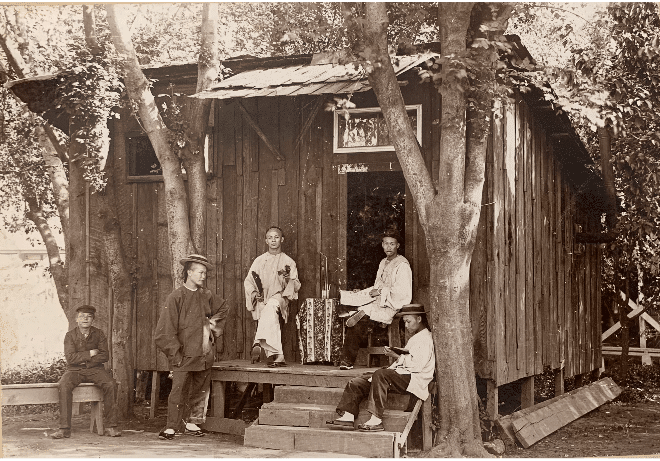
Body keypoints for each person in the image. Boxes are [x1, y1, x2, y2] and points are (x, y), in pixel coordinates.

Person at [155, 254, 228, 440]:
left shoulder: (207, 295)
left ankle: (192, 422)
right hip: (183, 353)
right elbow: (164, 330)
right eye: (200, 272)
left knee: (200, 389)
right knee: (178, 390)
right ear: (189, 272)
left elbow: (223, 308)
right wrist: (175, 354)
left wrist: (211, 325)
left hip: (203, 352)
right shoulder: (176, 297)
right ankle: (171, 426)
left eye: (205, 273)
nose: (203, 276)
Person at [328, 304, 435, 432]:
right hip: (403, 372)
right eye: (405, 322)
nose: (406, 326)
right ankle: (348, 416)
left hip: (415, 378)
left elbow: (417, 366)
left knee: (380, 374)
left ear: (419, 319)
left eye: (408, 321)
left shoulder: (426, 338)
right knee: (357, 382)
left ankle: (376, 419)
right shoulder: (416, 337)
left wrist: (396, 356)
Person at [339, 231, 412, 370]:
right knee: (355, 310)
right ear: (382, 245)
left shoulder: (402, 265)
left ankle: (347, 361)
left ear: (398, 245)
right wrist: (363, 293)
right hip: (378, 302)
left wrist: (379, 292)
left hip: (391, 304)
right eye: (386, 243)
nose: (388, 247)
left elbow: (402, 292)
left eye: (392, 244)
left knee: (361, 318)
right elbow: (378, 285)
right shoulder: (383, 262)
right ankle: (358, 315)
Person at [51, 305, 121, 439]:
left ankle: (111, 427)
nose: (85, 319)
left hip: (95, 369)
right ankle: (64, 429)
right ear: (77, 319)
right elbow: (70, 358)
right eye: (82, 316)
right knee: (63, 385)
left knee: (111, 384)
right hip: (75, 370)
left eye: (89, 316)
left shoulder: (99, 333)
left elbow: (104, 356)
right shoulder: (70, 335)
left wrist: (84, 360)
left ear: (93, 320)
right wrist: (90, 353)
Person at [244, 226, 300, 367]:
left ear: (282, 239)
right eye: (270, 238)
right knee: (268, 311)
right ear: (266, 241)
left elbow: (296, 285)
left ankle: (258, 341)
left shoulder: (288, 261)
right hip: (263, 298)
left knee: (270, 307)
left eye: (276, 237)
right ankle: (279, 355)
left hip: (280, 298)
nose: (273, 240)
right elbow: (249, 281)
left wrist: (288, 280)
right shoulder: (259, 261)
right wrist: (255, 294)